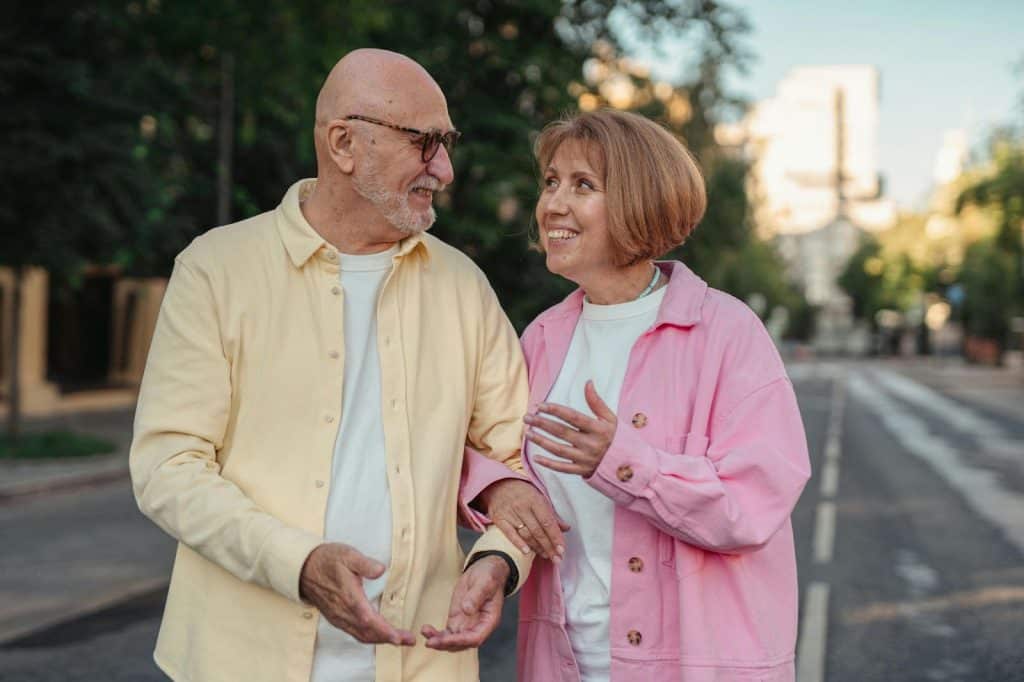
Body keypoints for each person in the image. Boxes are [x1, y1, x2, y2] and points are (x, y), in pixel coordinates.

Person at [129, 48, 564, 682]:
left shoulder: (464, 286)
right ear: (343, 144)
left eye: (447, 144)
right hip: (234, 663)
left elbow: (522, 456)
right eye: (425, 143)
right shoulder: (215, 269)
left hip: (423, 662)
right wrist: (297, 562)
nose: (443, 168)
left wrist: (494, 559)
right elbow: (168, 467)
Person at [512, 109, 812, 681]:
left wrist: (626, 465)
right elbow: (502, 472)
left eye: (583, 185)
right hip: (564, 664)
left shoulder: (726, 331)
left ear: (638, 201)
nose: (552, 204)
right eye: (550, 181)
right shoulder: (541, 340)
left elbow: (752, 505)